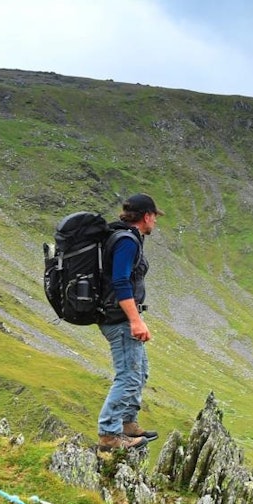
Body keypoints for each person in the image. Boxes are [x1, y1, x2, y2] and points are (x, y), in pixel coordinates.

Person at [96, 193, 163, 450]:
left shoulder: (127, 237)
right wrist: (135, 320)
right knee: (128, 376)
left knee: (140, 371)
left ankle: (126, 423)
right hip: (120, 318)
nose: (155, 222)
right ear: (147, 216)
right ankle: (109, 434)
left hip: (120, 316)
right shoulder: (127, 241)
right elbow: (120, 281)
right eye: (155, 217)